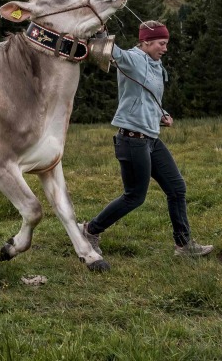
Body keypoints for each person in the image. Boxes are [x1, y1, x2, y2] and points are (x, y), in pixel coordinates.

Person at [81, 20, 213, 257]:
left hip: (151, 139)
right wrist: (101, 31)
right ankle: (90, 230)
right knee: (134, 197)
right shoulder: (134, 59)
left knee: (176, 188)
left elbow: (149, 97)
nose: (165, 48)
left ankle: (183, 245)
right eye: (161, 43)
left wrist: (162, 114)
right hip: (132, 140)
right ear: (146, 42)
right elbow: (111, 51)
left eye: (166, 43)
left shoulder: (155, 65)